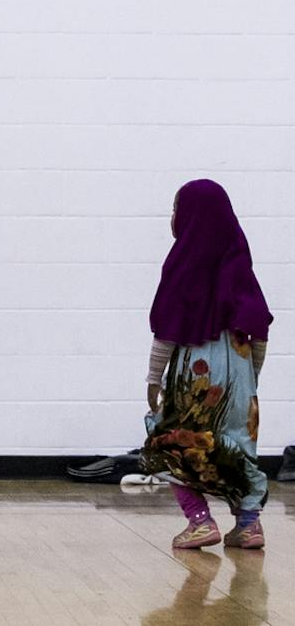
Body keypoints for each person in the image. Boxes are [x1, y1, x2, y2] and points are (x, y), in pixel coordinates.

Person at [143, 179, 272, 550]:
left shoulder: (182, 266)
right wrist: (251, 378)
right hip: (239, 370)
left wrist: (153, 378)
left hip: (196, 370)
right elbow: (259, 329)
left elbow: (166, 331)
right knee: (238, 446)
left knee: (171, 439)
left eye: (175, 209)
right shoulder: (240, 264)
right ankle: (249, 524)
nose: (172, 217)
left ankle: (199, 521)